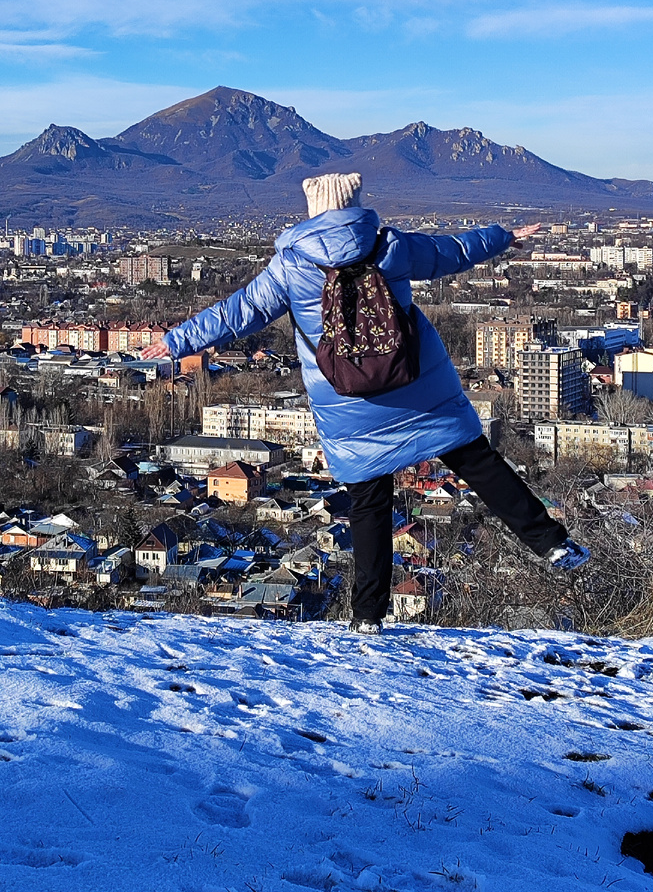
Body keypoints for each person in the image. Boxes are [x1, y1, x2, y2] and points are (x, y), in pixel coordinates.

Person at [142, 172, 589, 634]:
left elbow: (236, 313)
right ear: (355, 205)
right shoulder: (389, 246)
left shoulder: (291, 265)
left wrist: (177, 341)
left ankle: (368, 615)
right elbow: (450, 251)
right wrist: (501, 238)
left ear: (313, 211)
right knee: (479, 462)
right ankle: (552, 543)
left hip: (347, 397)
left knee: (369, 502)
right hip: (417, 386)